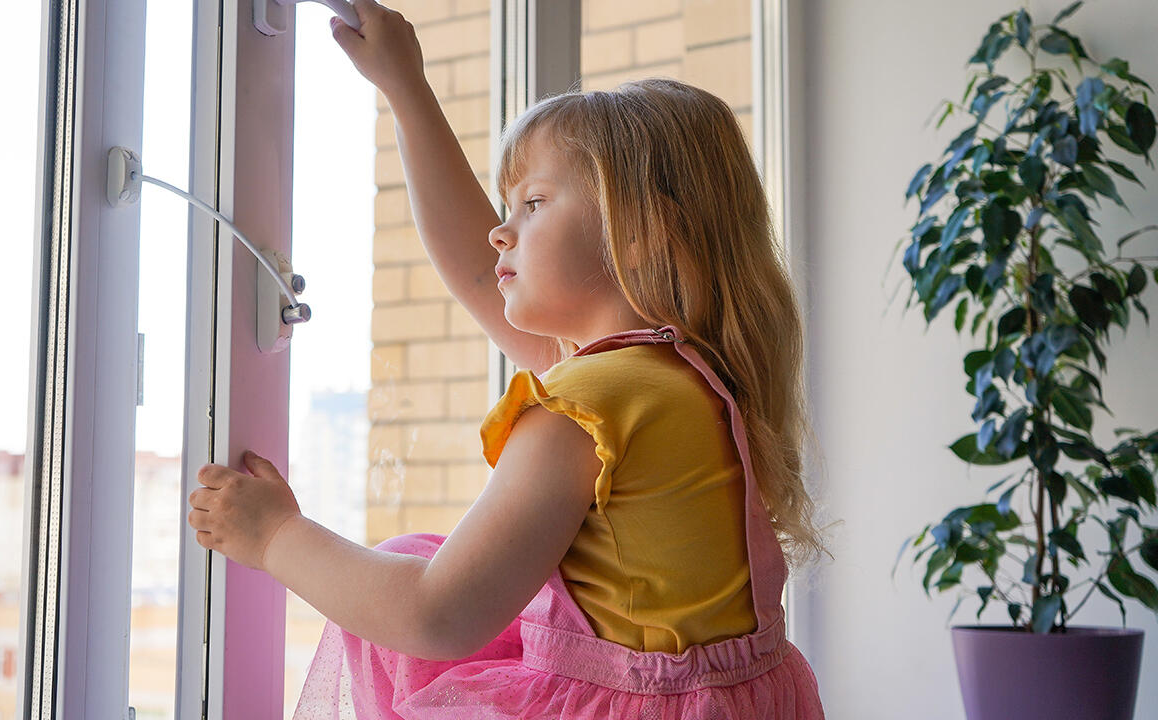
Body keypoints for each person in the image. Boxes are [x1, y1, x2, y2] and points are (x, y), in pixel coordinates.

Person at [186, 0, 832, 717]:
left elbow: (437, 615)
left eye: (533, 203)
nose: (501, 233)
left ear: (641, 232)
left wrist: (276, 536)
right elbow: (473, 269)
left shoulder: (585, 409)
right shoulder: (685, 376)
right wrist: (406, 90)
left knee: (408, 568)